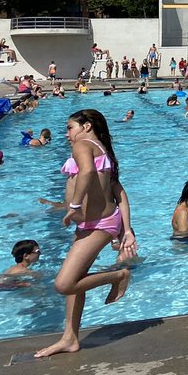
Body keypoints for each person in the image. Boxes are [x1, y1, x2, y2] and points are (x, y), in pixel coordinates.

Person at [34, 109, 136, 358]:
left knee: (64, 283)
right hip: (94, 224)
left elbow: (88, 173)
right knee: (75, 280)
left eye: (70, 127)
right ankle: (70, 338)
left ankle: (118, 276)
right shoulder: (101, 148)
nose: (67, 134)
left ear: (86, 126)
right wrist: (127, 229)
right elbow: (118, 191)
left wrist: (75, 205)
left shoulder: (83, 145)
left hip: (99, 224)